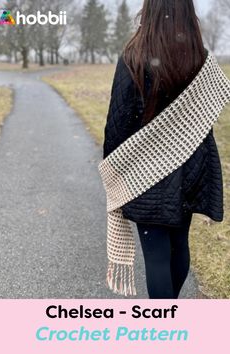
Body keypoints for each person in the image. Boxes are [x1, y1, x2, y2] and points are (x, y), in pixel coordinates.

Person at [101, 0, 224, 299]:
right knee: (179, 245)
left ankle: (162, 325)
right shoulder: (200, 58)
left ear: (150, 10)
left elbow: (118, 124)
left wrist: (113, 170)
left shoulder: (134, 57)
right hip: (191, 167)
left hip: (146, 172)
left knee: (156, 254)